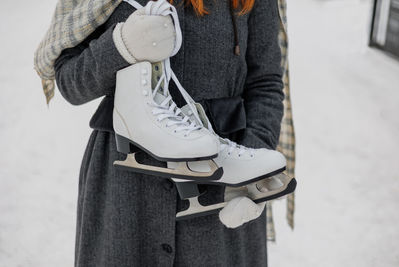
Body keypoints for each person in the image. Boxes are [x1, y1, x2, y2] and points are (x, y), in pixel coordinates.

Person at [35, 0, 284, 265]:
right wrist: (120, 46)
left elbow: (265, 83)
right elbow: (70, 83)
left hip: (221, 180)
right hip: (126, 186)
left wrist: (252, 177)